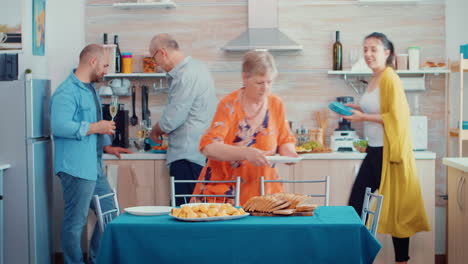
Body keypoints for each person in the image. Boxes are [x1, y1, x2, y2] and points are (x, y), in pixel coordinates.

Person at [343, 32, 430, 264]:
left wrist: (363, 118)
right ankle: (356, 256)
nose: (368, 54)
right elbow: (379, 109)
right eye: (365, 49)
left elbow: (398, 115)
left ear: (387, 53)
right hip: (374, 151)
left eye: (374, 49)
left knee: (396, 210)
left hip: (389, 153)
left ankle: (401, 260)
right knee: (356, 205)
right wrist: (356, 108)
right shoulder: (374, 78)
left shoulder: (390, 77)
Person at [50, 44, 132, 264]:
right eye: (105, 65)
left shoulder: (90, 90)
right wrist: (96, 128)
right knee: (75, 222)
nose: (106, 71)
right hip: (75, 167)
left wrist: (106, 146)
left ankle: (97, 259)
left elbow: (91, 126)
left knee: (111, 214)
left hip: (93, 166)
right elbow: (59, 126)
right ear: (92, 62)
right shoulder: (66, 91)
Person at [191, 50, 298, 205]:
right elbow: (208, 147)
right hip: (225, 195)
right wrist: (245, 153)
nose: (265, 88)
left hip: (265, 194)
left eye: (270, 82)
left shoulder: (276, 104)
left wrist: (290, 154)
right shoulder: (229, 105)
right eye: (260, 83)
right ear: (245, 77)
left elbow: (284, 140)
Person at [148, 33, 217, 205]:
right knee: (197, 211)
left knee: (185, 213)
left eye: (153, 58)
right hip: (199, 153)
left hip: (187, 156)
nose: (155, 64)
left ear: (162, 52)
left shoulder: (185, 75)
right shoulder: (198, 68)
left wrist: (155, 131)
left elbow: (173, 118)